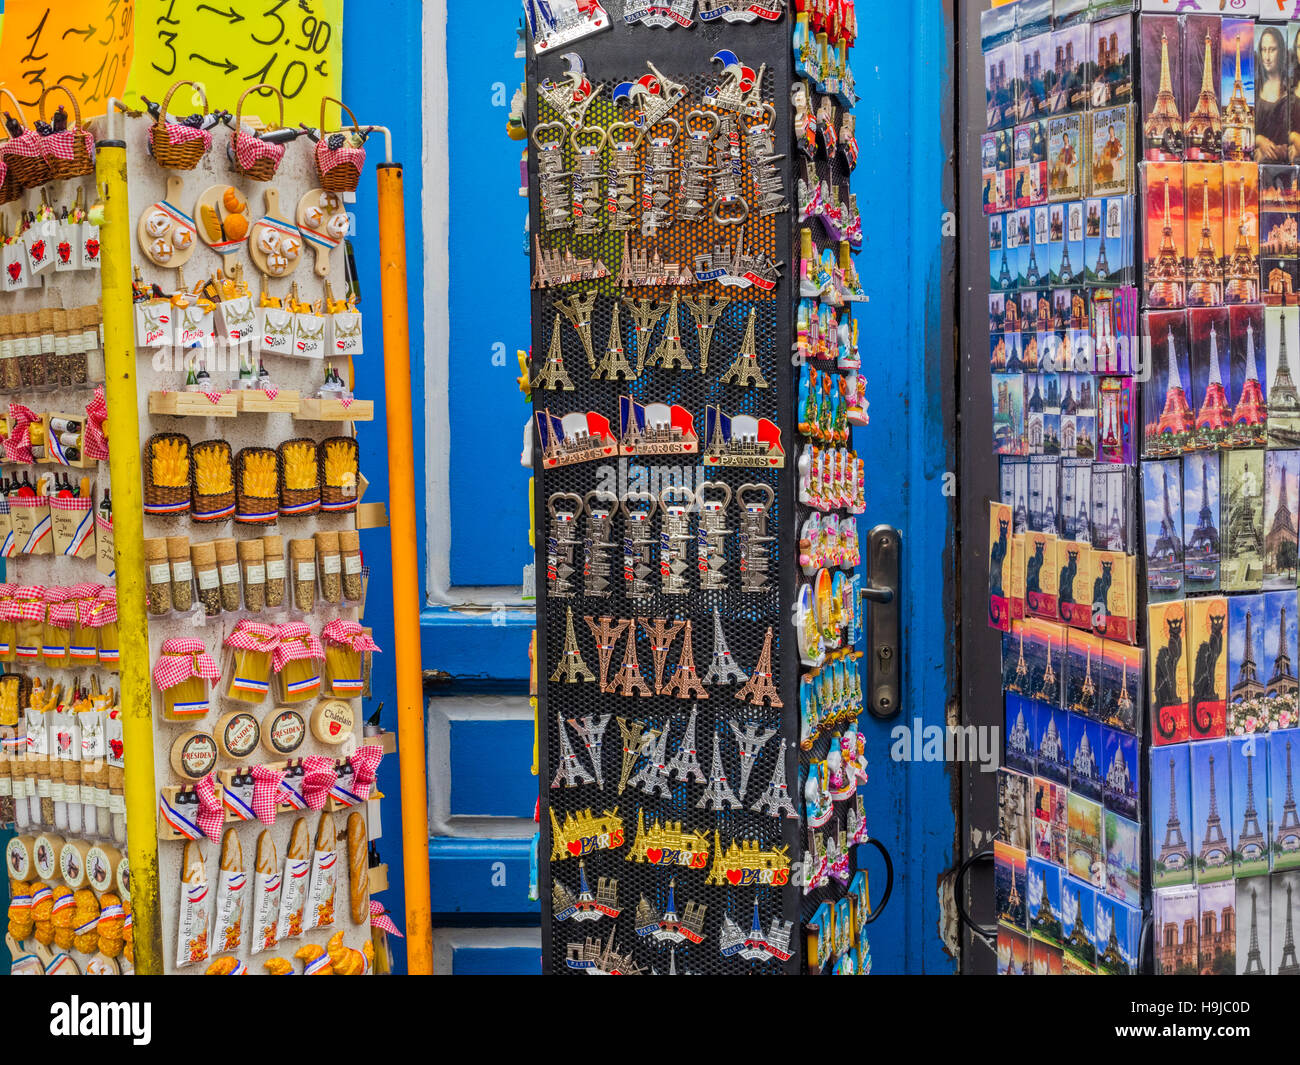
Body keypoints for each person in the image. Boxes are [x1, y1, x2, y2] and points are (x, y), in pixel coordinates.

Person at [1256, 26, 1288, 161]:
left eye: (1272, 50)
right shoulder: (1254, 87)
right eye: (1264, 50)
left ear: (1280, 52)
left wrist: (1283, 151)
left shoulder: (1290, 92)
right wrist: (1259, 140)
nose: (1267, 57)